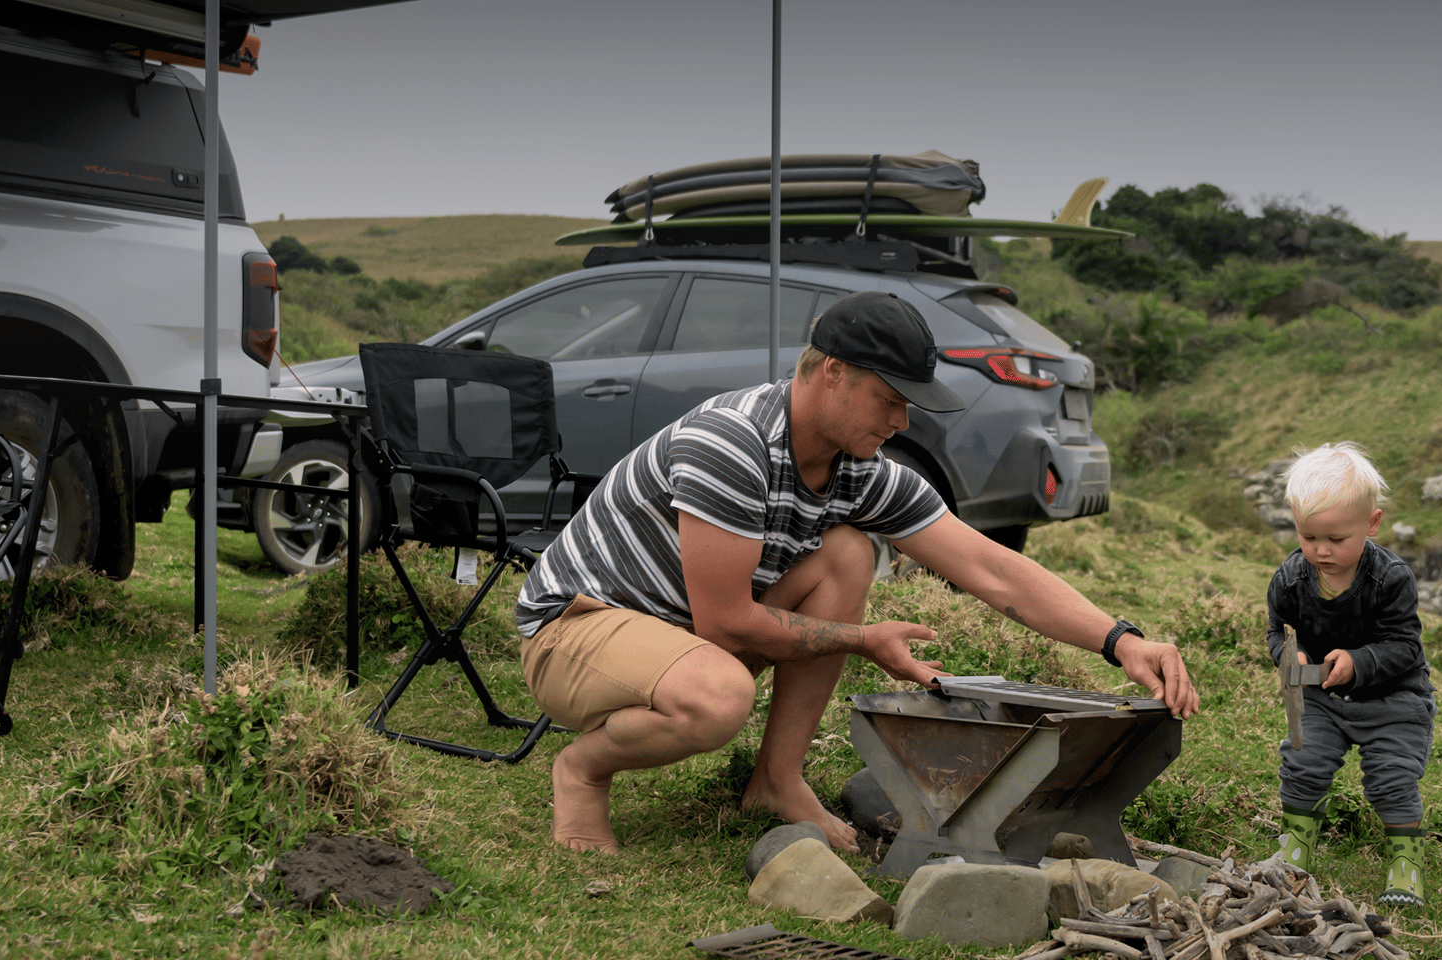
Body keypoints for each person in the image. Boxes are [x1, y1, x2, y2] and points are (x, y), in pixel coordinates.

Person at [514, 290, 1200, 855]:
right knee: (718, 696)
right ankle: (582, 770)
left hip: (684, 637)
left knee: (846, 551)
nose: (901, 422)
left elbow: (991, 568)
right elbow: (724, 623)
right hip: (575, 631)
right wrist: (864, 640)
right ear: (833, 371)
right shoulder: (732, 445)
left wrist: (1121, 641)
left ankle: (777, 780)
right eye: (889, 398)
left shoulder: (860, 472)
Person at [1265, 443, 1433, 908]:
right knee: (1303, 763)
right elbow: (1277, 631)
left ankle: (1406, 864)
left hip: (1394, 699)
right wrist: (1289, 656)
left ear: (1371, 524)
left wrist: (1359, 662)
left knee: (1391, 778)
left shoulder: (1391, 579)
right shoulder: (1289, 578)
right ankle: (1293, 854)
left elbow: (1406, 647)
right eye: (1308, 536)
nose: (1321, 550)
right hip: (1321, 696)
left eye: (1337, 539)